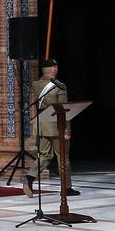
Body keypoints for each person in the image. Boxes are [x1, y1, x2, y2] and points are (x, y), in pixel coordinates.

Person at [28, 58, 78, 197]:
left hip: (42, 125)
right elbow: (63, 110)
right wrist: (66, 129)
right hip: (57, 126)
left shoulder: (36, 84)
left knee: (45, 155)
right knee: (63, 156)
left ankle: (30, 177)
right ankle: (66, 187)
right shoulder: (60, 86)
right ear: (54, 69)